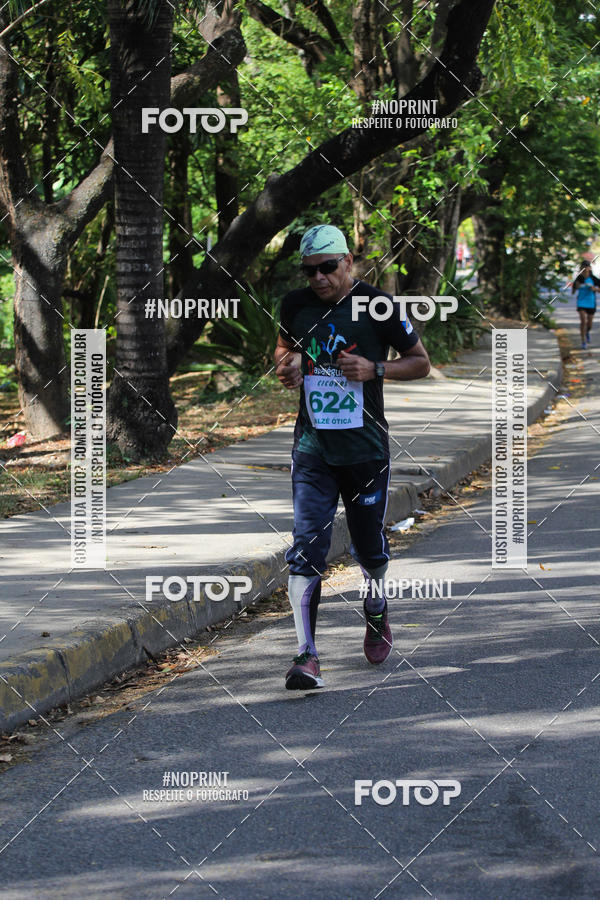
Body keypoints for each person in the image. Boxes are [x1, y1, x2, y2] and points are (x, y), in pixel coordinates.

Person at [274, 224, 431, 690]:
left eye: (327, 268)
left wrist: (375, 368)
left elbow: (421, 362)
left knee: (369, 548)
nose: (318, 278)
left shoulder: (379, 305)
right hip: (313, 448)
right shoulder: (295, 304)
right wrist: (291, 366)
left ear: (348, 262)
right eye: (309, 271)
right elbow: (283, 352)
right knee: (306, 549)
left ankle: (377, 608)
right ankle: (306, 656)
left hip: (365, 449)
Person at [572, 259, 600, 349]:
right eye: (583, 267)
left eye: (587, 267)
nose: (585, 269)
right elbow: (573, 292)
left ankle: (587, 332)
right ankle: (583, 341)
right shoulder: (578, 278)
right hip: (581, 302)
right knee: (583, 321)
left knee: (589, 323)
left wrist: (594, 289)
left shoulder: (593, 278)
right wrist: (576, 287)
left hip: (591, 303)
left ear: (589, 268)